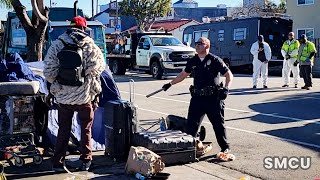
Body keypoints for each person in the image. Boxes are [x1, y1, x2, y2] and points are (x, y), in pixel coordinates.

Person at [43, 16, 105, 172]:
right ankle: (86, 161)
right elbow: (99, 68)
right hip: (85, 97)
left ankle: (58, 162)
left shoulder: (57, 45)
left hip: (64, 97)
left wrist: (59, 83)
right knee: (86, 129)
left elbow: (49, 73)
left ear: (69, 27)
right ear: (84, 29)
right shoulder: (91, 46)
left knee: (63, 128)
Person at [161, 37, 233, 155]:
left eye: (200, 43)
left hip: (213, 98)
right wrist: (170, 83)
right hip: (197, 98)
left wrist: (226, 89)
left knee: (218, 124)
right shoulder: (193, 61)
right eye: (196, 43)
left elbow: (229, 75)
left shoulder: (215, 60)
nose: (197, 45)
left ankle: (225, 147)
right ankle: (190, 148)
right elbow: (183, 74)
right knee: (191, 126)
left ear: (207, 46)